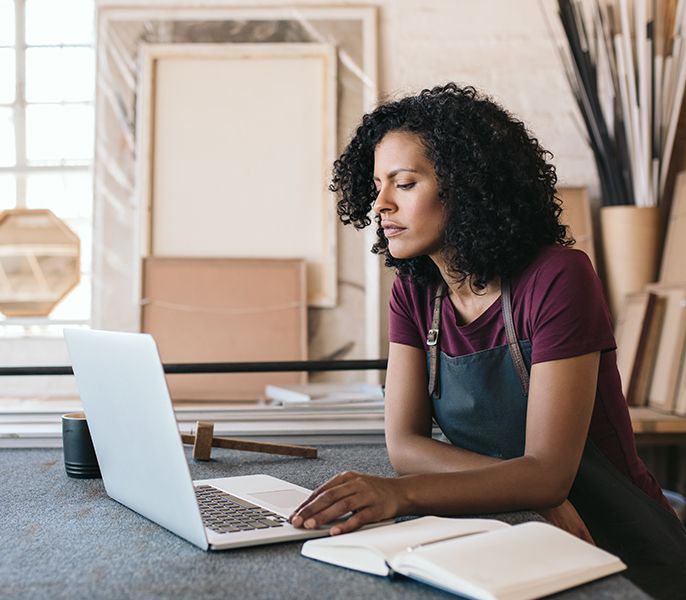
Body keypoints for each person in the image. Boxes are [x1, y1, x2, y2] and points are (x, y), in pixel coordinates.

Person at [289, 83, 686, 597]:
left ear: (467, 187)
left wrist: (403, 495)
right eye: (377, 185)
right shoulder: (413, 292)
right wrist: (532, 490)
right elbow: (405, 446)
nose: (381, 204)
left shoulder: (559, 277)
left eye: (404, 184)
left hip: (620, 549)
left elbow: (549, 471)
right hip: (515, 532)